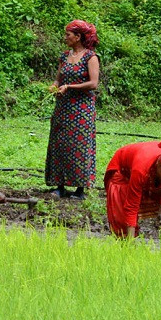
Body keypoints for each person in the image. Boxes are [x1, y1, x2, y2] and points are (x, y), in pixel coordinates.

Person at [45, 19, 100, 199]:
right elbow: (58, 78)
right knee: (60, 143)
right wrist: (54, 86)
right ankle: (59, 186)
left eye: (68, 35)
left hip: (82, 109)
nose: (65, 38)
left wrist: (69, 87)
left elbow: (93, 83)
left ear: (78, 37)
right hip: (63, 107)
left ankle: (80, 189)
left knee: (80, 145)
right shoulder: (64, 56)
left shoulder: (90, 57)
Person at [105, 139, 161, 239]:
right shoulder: (141, 168)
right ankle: (126, 244)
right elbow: (132, 205)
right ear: (158, 165)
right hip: (124, 174)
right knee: (123, 219)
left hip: (150, 174)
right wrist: (130, 242)